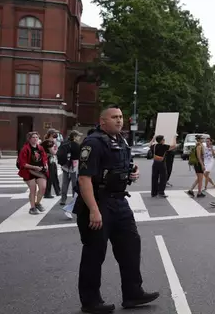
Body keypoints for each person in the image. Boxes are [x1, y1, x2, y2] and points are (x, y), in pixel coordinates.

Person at [74, 104, 158, 313]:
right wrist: (94, 210)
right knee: (95, 254)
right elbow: (84, 179)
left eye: (121, 117)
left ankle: (133, 293)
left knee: (131, 246)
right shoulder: (93, 143)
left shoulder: (120, 140)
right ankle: (90, 301)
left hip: (120, 202)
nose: (119, 120)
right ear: (103, 121)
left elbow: (125, 165)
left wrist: (132, 171)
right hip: (98, 202)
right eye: (114, 117)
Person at [17, 132, 49, 215]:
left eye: (37, 137)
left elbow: (44, 158)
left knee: (43, 187)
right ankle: (32, 207)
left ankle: (37, 203)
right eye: (33, 137)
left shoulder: (40, 148)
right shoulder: (25, 149)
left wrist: (45, 165)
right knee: (33, 188)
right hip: (28, 171)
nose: (35, 139)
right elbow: (22, 163)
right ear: (29, 139)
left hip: (40, 171)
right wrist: (34, 167)